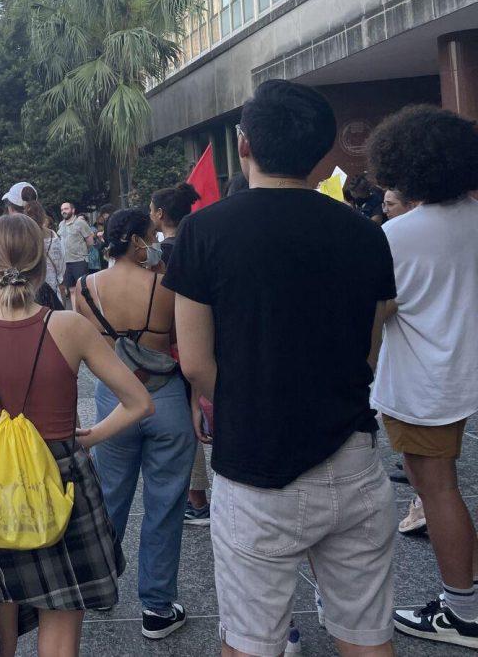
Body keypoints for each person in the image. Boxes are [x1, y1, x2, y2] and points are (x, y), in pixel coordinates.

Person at [166, 80, 398, 657]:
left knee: (251, 640)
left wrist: (246, 396)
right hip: (353, 454)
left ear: (243, 145)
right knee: (367, 635)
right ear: (322, 156)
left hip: (256, 466)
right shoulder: (367, 235)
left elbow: (195, 361)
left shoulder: (204, 231)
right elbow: (366, 352)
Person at [0, 213, 151, 657]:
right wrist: (89, 437)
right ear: (43, 267)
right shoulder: (69, 327)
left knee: (0, 601)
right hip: (64, 477)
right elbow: (139, 402)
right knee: (61, 611)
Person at [366, 104, 478, 648]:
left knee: (438, 493)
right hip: (463, 372)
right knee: (443, 490)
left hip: (424, 383)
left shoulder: (398, 235)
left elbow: (377, 315)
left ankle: (462, 612)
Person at [74, 207, 193, 640]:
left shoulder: (85, 289)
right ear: (140, 241)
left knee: (108, 498)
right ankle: (158, 608)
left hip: (113, 402)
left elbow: (80, 353)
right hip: (165, 400)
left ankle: (100, 589)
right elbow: (187, 345)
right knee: (165, 503)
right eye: (152, 235)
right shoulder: (165, 286)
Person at [150, 182, 200, 267]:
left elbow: (150, 278)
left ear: (159, 213)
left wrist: (151, 239)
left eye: (151, 210)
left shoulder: (158, 253)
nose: (150, 214)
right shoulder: (197, 244)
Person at [59, 201, 95, 289]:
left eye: (66, 209)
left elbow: (90, 241)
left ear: (73, 210)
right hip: (66, 262)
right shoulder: (61, 224)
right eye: (62, 209)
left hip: (79, 261)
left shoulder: (80, 222)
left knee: (82, 288)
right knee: (71, 289)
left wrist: (82, 252)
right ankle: (74, 304)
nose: (64, 211)